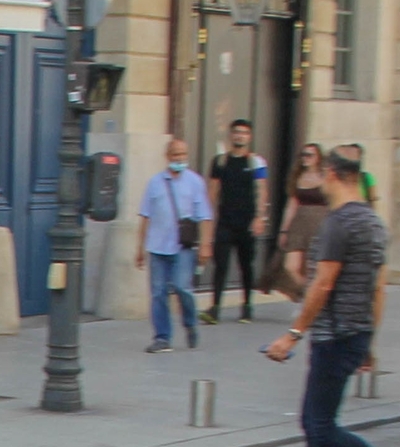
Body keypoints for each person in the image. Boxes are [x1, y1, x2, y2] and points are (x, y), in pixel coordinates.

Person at [264, 151, 400, 447]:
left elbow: (323, 283)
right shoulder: (374, 224)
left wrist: (293, 333)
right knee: (319, 420)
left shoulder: (339, 223)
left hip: (334, 334)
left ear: (332, 174)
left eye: (320, 174)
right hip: (356, 332)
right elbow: (378, 288)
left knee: (318, 423)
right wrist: (369, 340)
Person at [134, 137, 212, 351]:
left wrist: (206, 244)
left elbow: (205, 215)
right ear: (168, 157)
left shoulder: (195, 182)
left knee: (181, 287)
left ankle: (190, 323)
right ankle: (162, 337)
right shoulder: (155, 182)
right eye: (176, 154)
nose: (180, 158)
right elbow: (145, 216)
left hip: (182, 246)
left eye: (183, 154)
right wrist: (140, 247)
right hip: (157, 246)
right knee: (158, 292)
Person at [203, 119, 267, 324]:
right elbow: (213, 191)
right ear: (231, 135)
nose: (240, 136)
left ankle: (247, 305)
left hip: (247, 221)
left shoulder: (256, 162)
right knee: (220, 264)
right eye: (237, 132)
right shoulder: (220, 162)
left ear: (250, 137)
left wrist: (259, 217)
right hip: (225, 221)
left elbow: (262, 190)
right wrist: (208, 220)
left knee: (246, 264)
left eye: (244, 133)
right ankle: (215, 307)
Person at [271, 143, 327, 300]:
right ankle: (309, 294)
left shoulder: (325, 177)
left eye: (310, 155)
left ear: (318, 158)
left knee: (312, 266)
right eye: (303, 155)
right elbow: (291, 205)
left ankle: (314, 299)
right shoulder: (297, 176)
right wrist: (284, 230)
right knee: (290, 267)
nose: (305, 158)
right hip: (298, 223)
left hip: (319, 223)